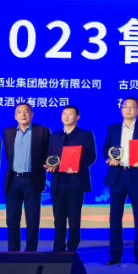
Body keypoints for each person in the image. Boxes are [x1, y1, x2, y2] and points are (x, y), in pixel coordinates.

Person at [102, 98, 138, 265]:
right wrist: (109, 159)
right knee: (115, 218)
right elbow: (106, 149)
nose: (129, 109)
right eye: (126, 106)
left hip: (137, 175)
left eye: (133, 107)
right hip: (117, 175)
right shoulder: (112, 128)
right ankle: (115, 254)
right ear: (121, 109)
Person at [46, 105, 96, 253]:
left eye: (70, 114)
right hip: (58, 182)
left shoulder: (85, 135)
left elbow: (91, 156)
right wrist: (50, 166)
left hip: (76, 182)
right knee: (58, 219)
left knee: (74, 219)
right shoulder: (54, 136)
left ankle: (72, 248)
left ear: (77, 117)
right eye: (64, 114)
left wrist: (76, 166)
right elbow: (49, 155)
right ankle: (58, 249)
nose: (66, 117)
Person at [2, 102, 50, 252]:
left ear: (32, 114)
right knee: (12, 220)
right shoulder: (8, 132)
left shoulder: (42, 131)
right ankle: (13, 251)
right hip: (13, 180)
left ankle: (31, 251)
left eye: (26, 111)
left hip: (32, 180)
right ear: (15, 116)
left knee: (33, 219)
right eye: (19, 112)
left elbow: (48, 153)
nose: (23, 115)